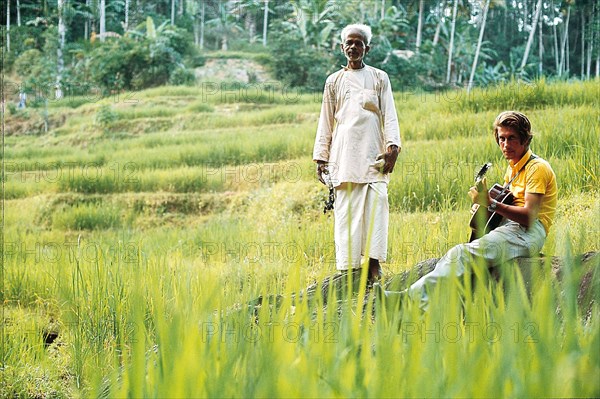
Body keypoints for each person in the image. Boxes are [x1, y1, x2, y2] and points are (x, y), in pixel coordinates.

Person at [378, 111, 557, 309]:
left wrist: (491, 204)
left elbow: (530, 217)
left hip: (528, 233)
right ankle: (428, 307)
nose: (505, 145)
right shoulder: (513, 167)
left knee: (462, 255)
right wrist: (485, 206)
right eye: (501, 139)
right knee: (459, 258)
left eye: (512, 138)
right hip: (511, 229)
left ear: (525, 139)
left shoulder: (537, 168)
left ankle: (405, 301)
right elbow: (509, 204)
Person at [313, 24, 402, 283]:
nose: (353, 47)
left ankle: (374, 266)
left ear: (367, 48)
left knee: (377, 205)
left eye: (358, 43)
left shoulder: (379, 77)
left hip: (374, 154)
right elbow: (326, 121)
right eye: (348, 43)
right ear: (342, 48)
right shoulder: (334, 81)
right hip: (343, 156)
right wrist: (321, 158)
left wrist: (393, 148)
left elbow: (390, 115)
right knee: (347, 212)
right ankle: (349, 270)